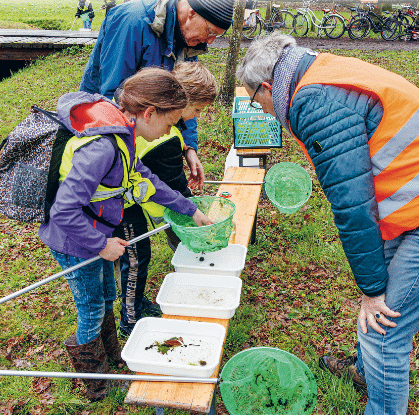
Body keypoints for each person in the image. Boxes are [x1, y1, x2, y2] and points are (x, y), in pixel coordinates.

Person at [236, 32, 419, 415]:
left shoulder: (313, 102)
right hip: (407, 203)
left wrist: (371, 290)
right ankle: (366, 372)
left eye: (258, 101)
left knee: (384, 329)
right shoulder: (316, 68)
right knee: (376, 306)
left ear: (268, 86)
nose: (265, 111)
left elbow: (353, 205)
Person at [38, 68, 212, 401]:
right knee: (90, 307)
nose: (170, 130)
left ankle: (113, 359)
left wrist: (190, 209)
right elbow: (63, 211)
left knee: (105, 296)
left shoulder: (125, 138)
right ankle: (96, 380)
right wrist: (99, 244)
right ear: (150, 113)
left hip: (91, 237)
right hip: (73, 241)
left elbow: (148, 183)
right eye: (171, 122)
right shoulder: (103, 148)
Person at [79, 0, 234, 328]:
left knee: (128, 242)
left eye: (217, 37)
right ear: (191, 12)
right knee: (113, 249)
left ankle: (123, 308)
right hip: (109, 148)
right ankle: (115, 320)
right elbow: (109, 96)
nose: (209, 42)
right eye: (209, 32)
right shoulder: (134, 23)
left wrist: (189, 147)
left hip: (136, 146)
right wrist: (123, 157)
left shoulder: (186, 39)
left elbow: (179, 101)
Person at [115, 61, 218, 336]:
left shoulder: (141, 118)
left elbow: (154, 179)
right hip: (120, 204)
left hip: (127, 197)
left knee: (134, 257)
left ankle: (134, 303)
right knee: (135, 258)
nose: (195, 117)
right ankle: (130, 318)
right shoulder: (162, 137)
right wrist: (194, 211)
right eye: (195, 110)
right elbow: (172, 185)